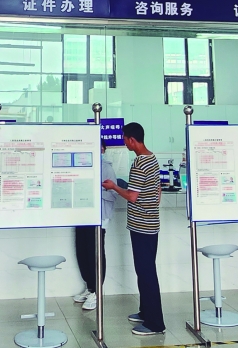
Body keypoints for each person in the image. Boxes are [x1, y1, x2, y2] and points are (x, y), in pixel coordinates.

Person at [102, 123, 165, 336]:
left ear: (131, 139)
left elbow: (132, 196)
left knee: (146, 273)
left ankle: (155, 323)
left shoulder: (139, 163)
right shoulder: (151, 158)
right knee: (144, 270)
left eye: (124, 139)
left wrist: (114, 187)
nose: (124, 142)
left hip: (141, 227)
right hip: (151, 224)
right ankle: (145, 311)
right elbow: (157, 190)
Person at [73, 140, 118, 310]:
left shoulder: (106, 168)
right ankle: (90, 287)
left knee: (95, 254)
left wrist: (94, 192)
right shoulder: (82, 168)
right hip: (82, 216)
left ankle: (97, 291)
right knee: (82, 252)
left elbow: (113, 194)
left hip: (99, 217)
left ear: (103, 150)